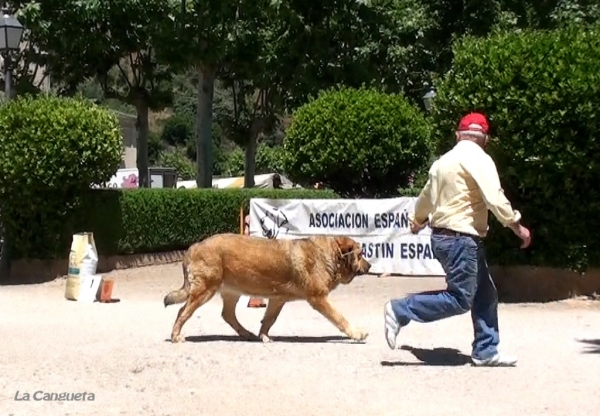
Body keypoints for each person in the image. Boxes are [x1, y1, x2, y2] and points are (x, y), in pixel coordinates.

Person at [383, 113, 531, 367]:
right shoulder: (481, 159)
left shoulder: (442, 162)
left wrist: (417, 220)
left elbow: (426, 197)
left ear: (457, 134)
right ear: (485, 138)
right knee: (461, 299)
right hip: (463, 238)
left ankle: (486, 350)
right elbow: (494, 198)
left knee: (484, 293)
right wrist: (516, 225)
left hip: (442, 238)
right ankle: (401, 310)